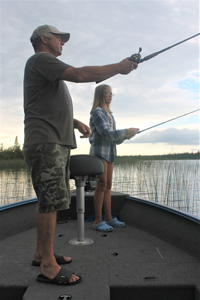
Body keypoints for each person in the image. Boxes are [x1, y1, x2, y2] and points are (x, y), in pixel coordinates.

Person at [23, 24, 138, 286]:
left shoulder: (43, 66)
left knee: (47, 199)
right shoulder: (42, 59)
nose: (63, 42)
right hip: (47, 143)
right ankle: (48, 266)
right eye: (59, 39)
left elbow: (43, 105)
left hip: (53, 141)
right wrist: (119, 68)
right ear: (44, 38)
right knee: (51, 201)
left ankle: (43, 253)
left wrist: (74, 123)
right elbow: (79, 74)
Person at [89, 84, 139, 232]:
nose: (110, 96)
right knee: (102, 185)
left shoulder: (110, 115)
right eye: (107, 93)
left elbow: (114, 139)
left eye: (112, 94)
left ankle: (109, 218)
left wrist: (126, 136)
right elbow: (105, 133)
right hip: (99, 153)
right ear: (100, 95)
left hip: (110, 153)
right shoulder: (97, 112)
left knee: (108, 186)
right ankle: (98, 220)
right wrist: (125, 131)